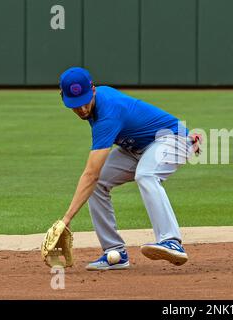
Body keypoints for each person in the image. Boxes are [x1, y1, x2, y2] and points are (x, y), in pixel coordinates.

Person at [58, 67, 200, 270]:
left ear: (94, 90)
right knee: (98, 185)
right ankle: (114, 252)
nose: (81, 109)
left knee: (145, 174)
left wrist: (66, 219)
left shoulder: (108, 114)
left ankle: (171, 240)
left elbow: (90, 173)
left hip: (173, 139)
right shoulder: (94, 107)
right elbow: (94, 178)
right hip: (138, 148)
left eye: (84, 101)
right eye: (75, 104)